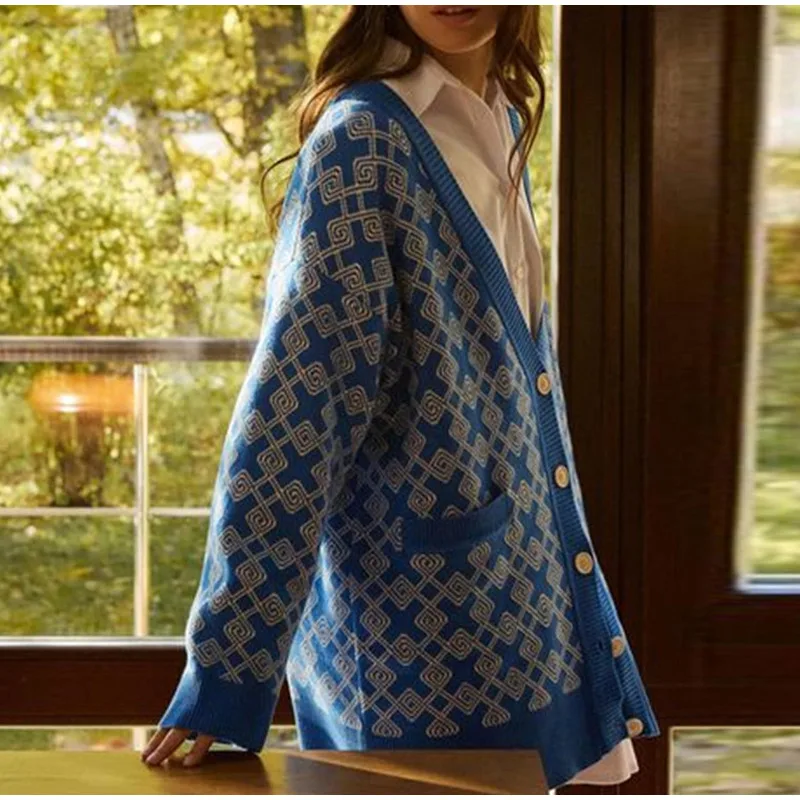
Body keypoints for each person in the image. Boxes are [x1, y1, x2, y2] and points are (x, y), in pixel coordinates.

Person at [142, 6, 660, 791]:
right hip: (418, 647)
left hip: (526, 627)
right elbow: (296, 411)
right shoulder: (361, 143)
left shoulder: (499, 120)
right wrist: (228, 667)